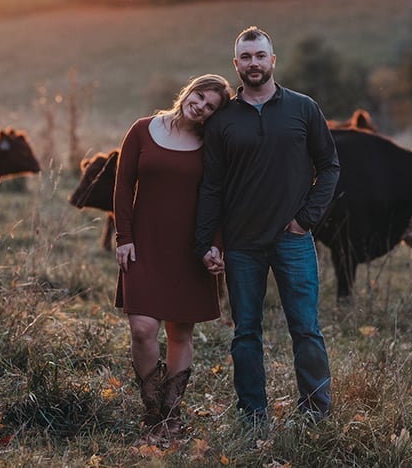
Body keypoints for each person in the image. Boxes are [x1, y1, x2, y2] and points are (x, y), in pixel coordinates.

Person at [194, 26, 340, 426]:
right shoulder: (222, 120)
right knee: (246, 333)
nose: (253, 63)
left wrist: (305, 220)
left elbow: (329, 166)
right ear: (235, 64)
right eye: (246, 57)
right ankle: (252, 414)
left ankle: (315, 412)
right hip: (242, 243)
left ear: (273, 61)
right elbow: (211, 185)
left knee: (306, 328)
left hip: (292, 239)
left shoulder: (303, 108)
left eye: (260, 56)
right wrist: (206, 241)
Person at [113, 73, 233, 441]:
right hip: (145, 244)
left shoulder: (210, 145)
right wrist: (124, 237)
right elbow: (122, 185)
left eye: (210, 107)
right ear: (188, 91)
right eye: (199, 97)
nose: (200, 107)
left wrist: (214, 245)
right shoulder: (143, 129)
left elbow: (217, 198)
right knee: (142, 329)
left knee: (180, 333)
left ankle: (171, 415)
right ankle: (151, 411)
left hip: (189, 249)